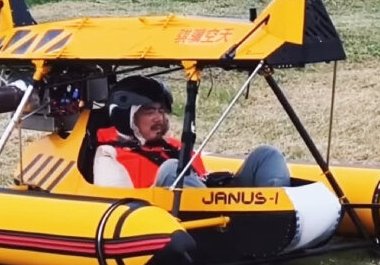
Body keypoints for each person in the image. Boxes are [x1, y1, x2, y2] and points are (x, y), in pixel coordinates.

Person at [93, 75, 292, 189]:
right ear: (126, 116)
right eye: (149, 111)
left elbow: (202, 177)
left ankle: (274, 212)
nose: (159, 118)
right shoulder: (109, 155)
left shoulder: (175, 147)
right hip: (161, 218)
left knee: (266, 155)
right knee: (173, 169)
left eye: (162, 111)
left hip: (213, 207)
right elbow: (116, 202)